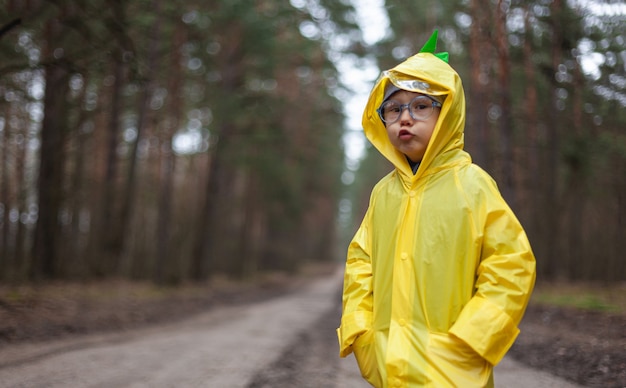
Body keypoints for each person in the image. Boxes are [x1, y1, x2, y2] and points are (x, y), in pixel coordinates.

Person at [336, 30, 536, 388]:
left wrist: (472, 341)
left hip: (454, 372)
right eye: (394, 109)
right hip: (386, 365)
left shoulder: (472, 185)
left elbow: (511, 265)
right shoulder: (383, 193)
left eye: (421, 105)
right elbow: (360, 263)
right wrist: (361, 333)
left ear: (447, 114)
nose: (405, 118)